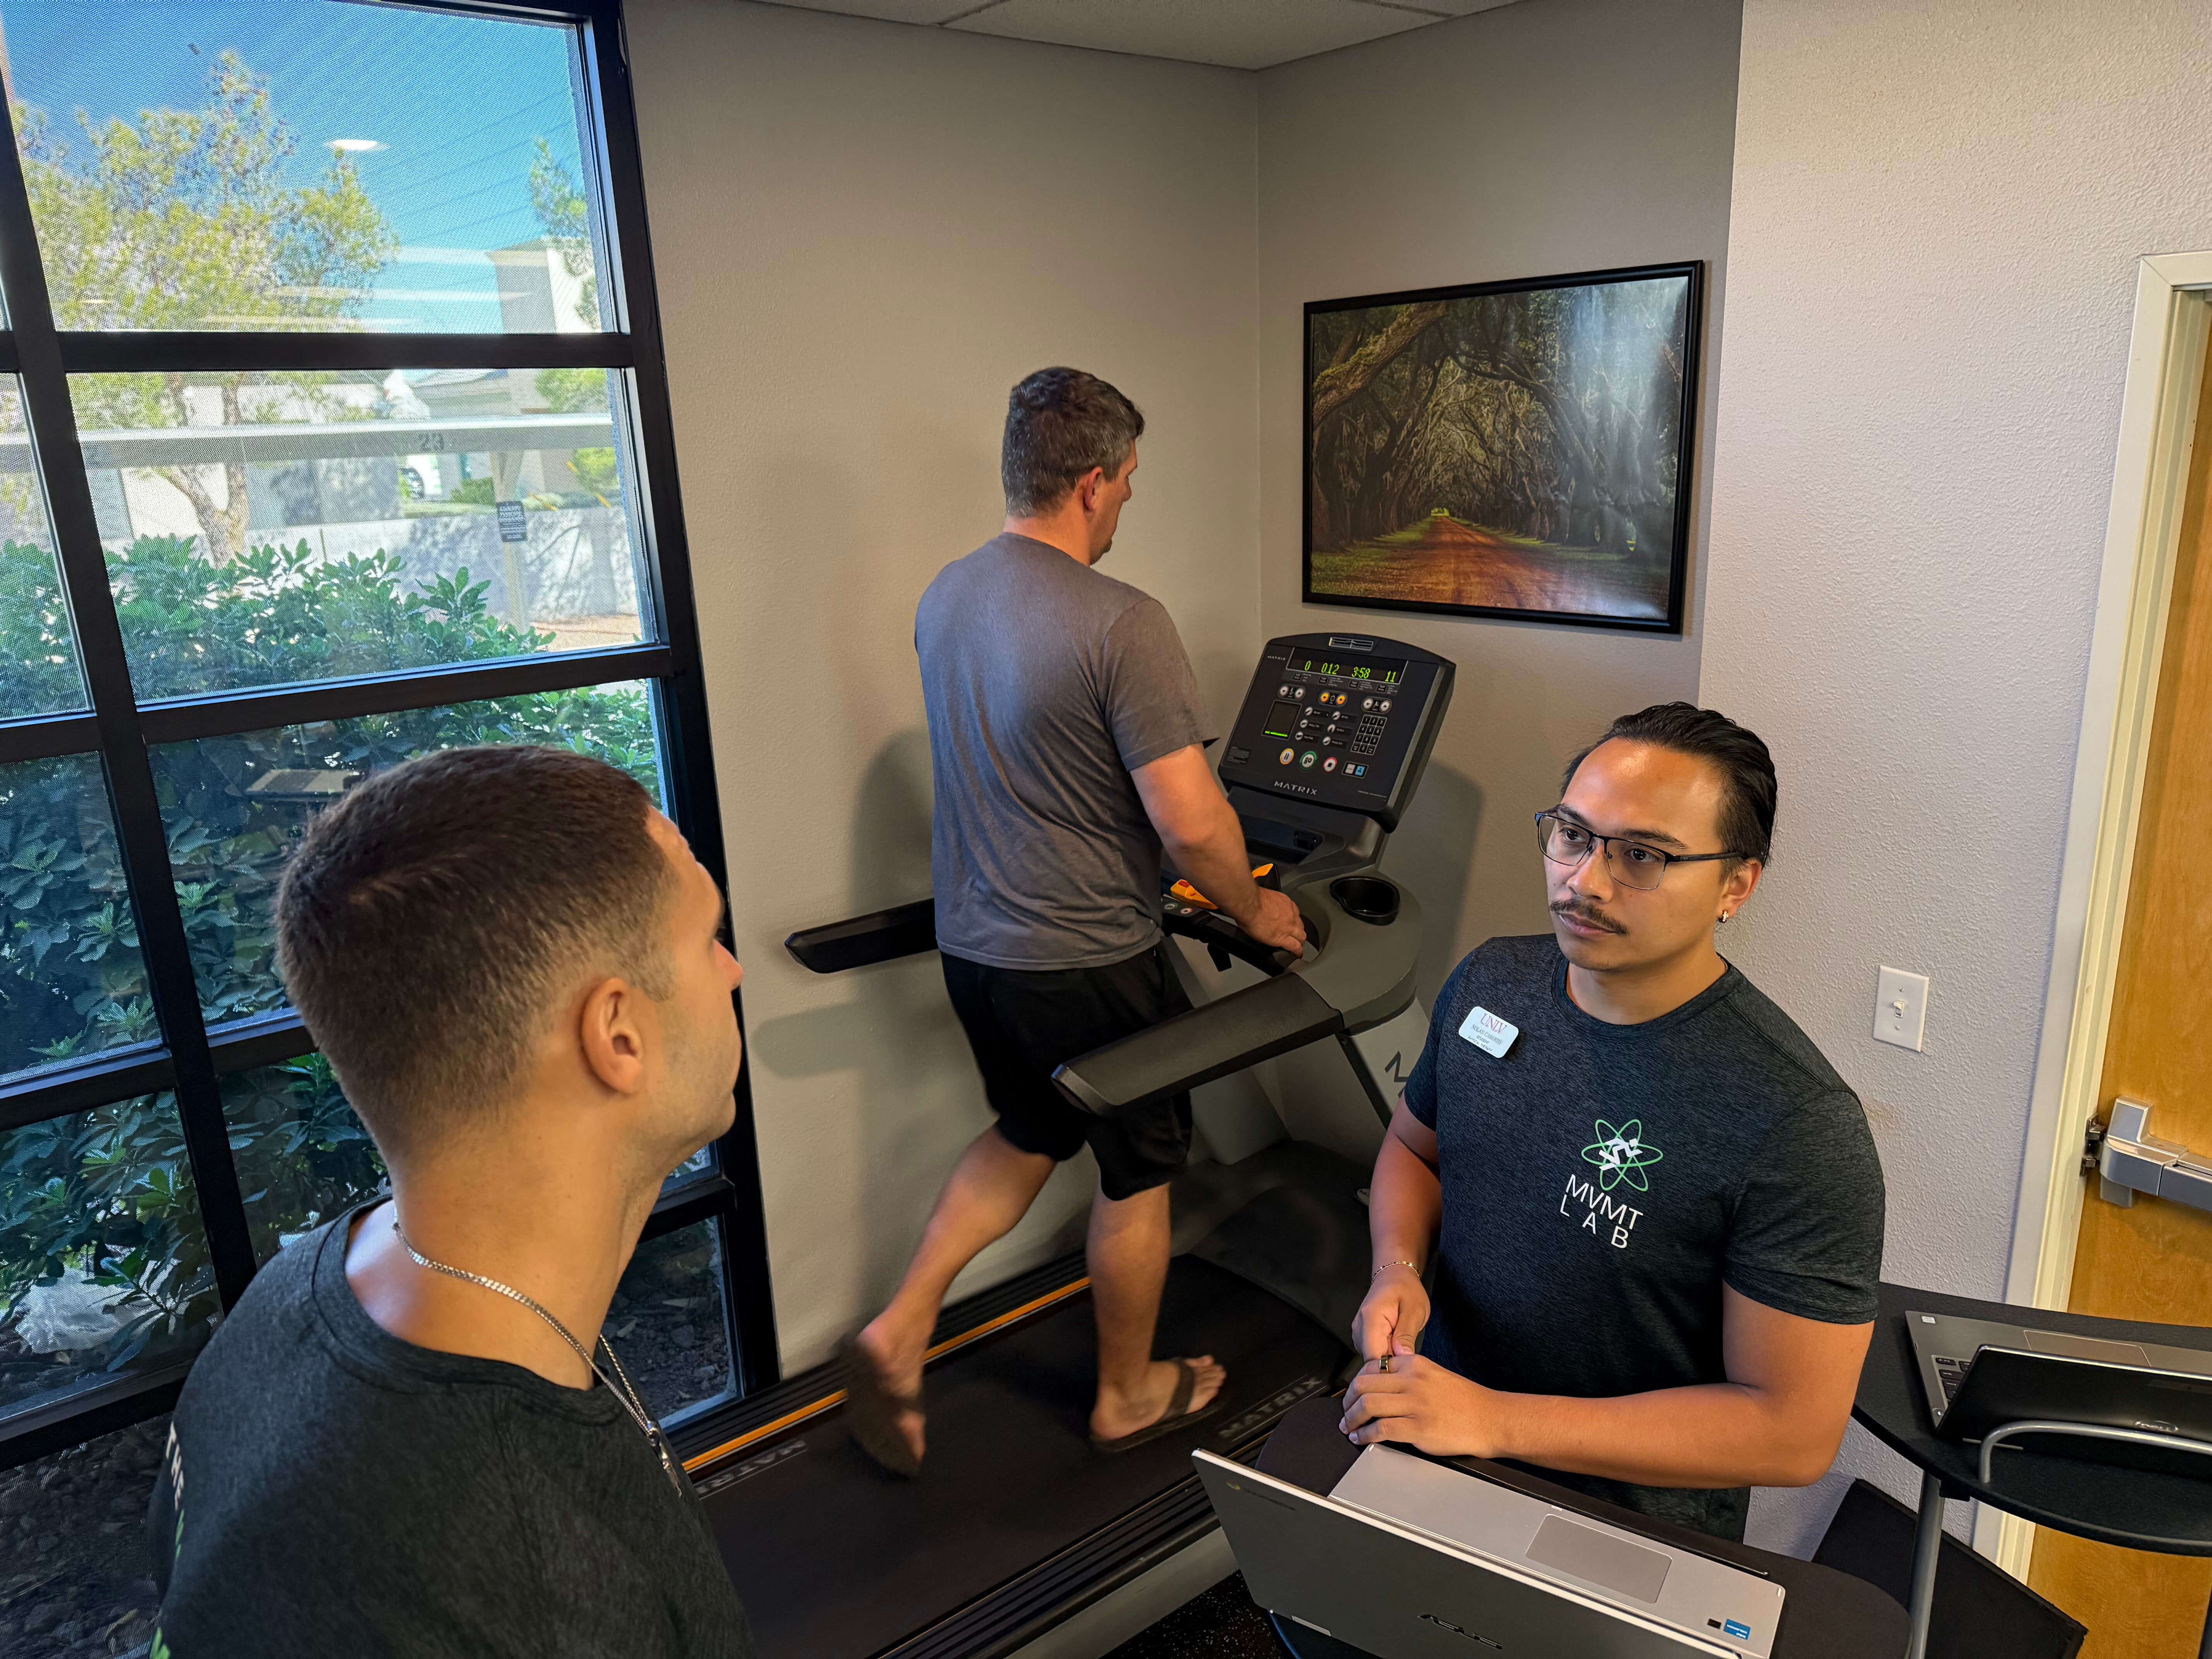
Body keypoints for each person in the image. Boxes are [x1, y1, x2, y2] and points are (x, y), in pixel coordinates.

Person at [146, 745, 756, 1657]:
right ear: (619, 1035)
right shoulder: (529, 1590)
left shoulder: (305, 1291)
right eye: (709, 935)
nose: (735, 970)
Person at [844, 367, 1307, 1474]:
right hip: (1091, 959)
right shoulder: (1123, 622)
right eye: (1132, 482)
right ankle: (1126, 1395)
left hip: (980, 951)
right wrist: (1262, 909)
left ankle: (899, 1325)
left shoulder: (947, 594)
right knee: (1137, 1168)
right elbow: (1194, 828)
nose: (1130, 504)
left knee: (1029, 1129)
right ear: (1094, 482)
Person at [1343, 704, 1884, 1541]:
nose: (1585, 882)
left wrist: (1496, 1421)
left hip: (1624, 1521)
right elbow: (1415, 1150)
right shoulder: (1493, 982)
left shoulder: (1797, 1122)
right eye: (1572, 835)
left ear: (1736, 885)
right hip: (1432, 1431)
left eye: (1642, 855)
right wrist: (1396, 1269)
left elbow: (1792, 1431)